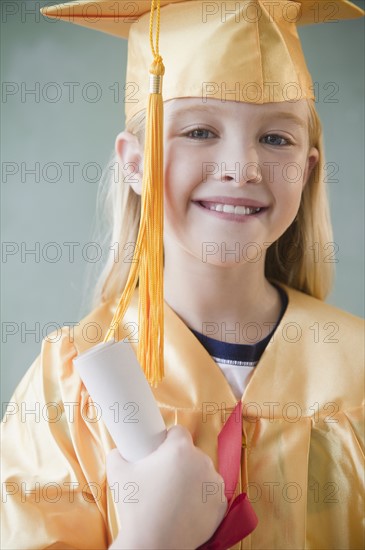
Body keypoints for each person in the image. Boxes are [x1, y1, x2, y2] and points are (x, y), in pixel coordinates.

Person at [1, 1, 364, 549]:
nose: (240, 167)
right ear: (134, 162)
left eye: (276, 138)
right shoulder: (68, 386)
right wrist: (150, 539)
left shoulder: (356, 371)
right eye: (198, 131)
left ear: (307, 169)